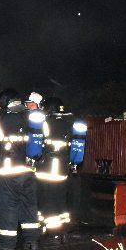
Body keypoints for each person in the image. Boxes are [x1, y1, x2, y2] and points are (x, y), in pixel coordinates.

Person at [0, 88, 45, 250]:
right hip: (29, 170)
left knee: (7, 207)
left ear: (4, 102)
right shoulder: (32, 117)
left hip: (10, 171)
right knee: (29, 206)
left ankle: (6, 246)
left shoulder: (5, 118)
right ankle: (32, 241)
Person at [35, 97, 87, 242]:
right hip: (63, 170)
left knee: (48, 202)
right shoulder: (69, 123)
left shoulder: (45, 123)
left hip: (47, 170)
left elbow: (38, 145)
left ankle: (53, 233)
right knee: (60, 201)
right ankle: (62, 230)